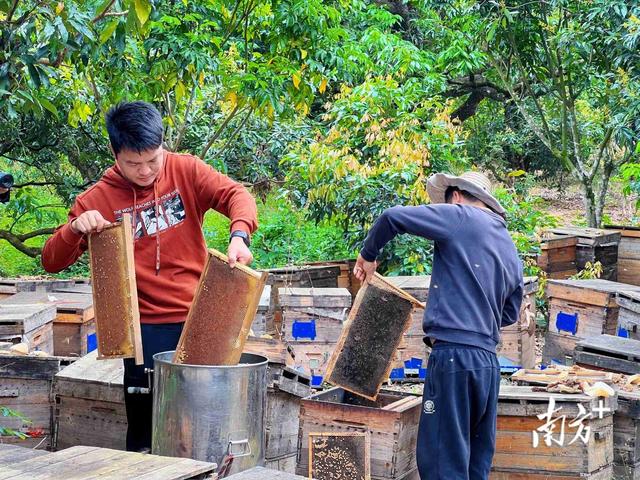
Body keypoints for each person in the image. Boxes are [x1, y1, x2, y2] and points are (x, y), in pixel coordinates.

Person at [41, 101, 258, 452]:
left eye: (152, 160)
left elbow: (236, 194)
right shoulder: (97, 199)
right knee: (146, 430)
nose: (145, 171)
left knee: (206, 423)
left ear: (163, 145)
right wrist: (75, 229)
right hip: (143, 331)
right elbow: (51, 260)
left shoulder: (186, 170)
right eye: (133, 164)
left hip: (200, 317)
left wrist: (239, 235)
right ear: (115, 154)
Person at [353, 171, 523, 480]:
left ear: (456, 196)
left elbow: (391, 218)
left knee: (443, 463)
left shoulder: (461, 216)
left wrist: (367, 255)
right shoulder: (509, 245)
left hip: (454, 358)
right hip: (487, 364)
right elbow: (509, 313)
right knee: (474, 466)